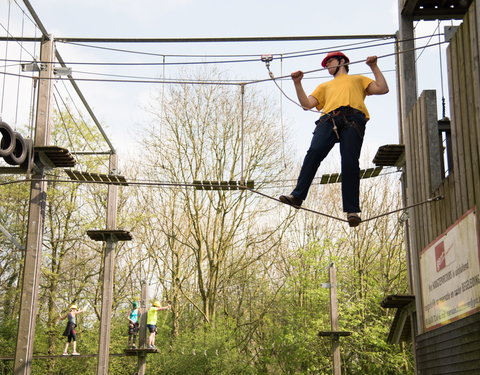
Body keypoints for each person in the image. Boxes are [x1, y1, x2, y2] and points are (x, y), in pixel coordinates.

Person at [279, 51, 389, 227]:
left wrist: (373, 66)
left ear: (342, 61)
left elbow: (382, 88)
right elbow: (306, 105)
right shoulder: (324, 86)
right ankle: (297, 196)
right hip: (328, 119)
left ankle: (352, 210)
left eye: (330, 62)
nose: (327, 66)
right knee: (314, 152)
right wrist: (297, 83)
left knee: (350, 162)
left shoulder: (358, 79)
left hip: (353, 118)